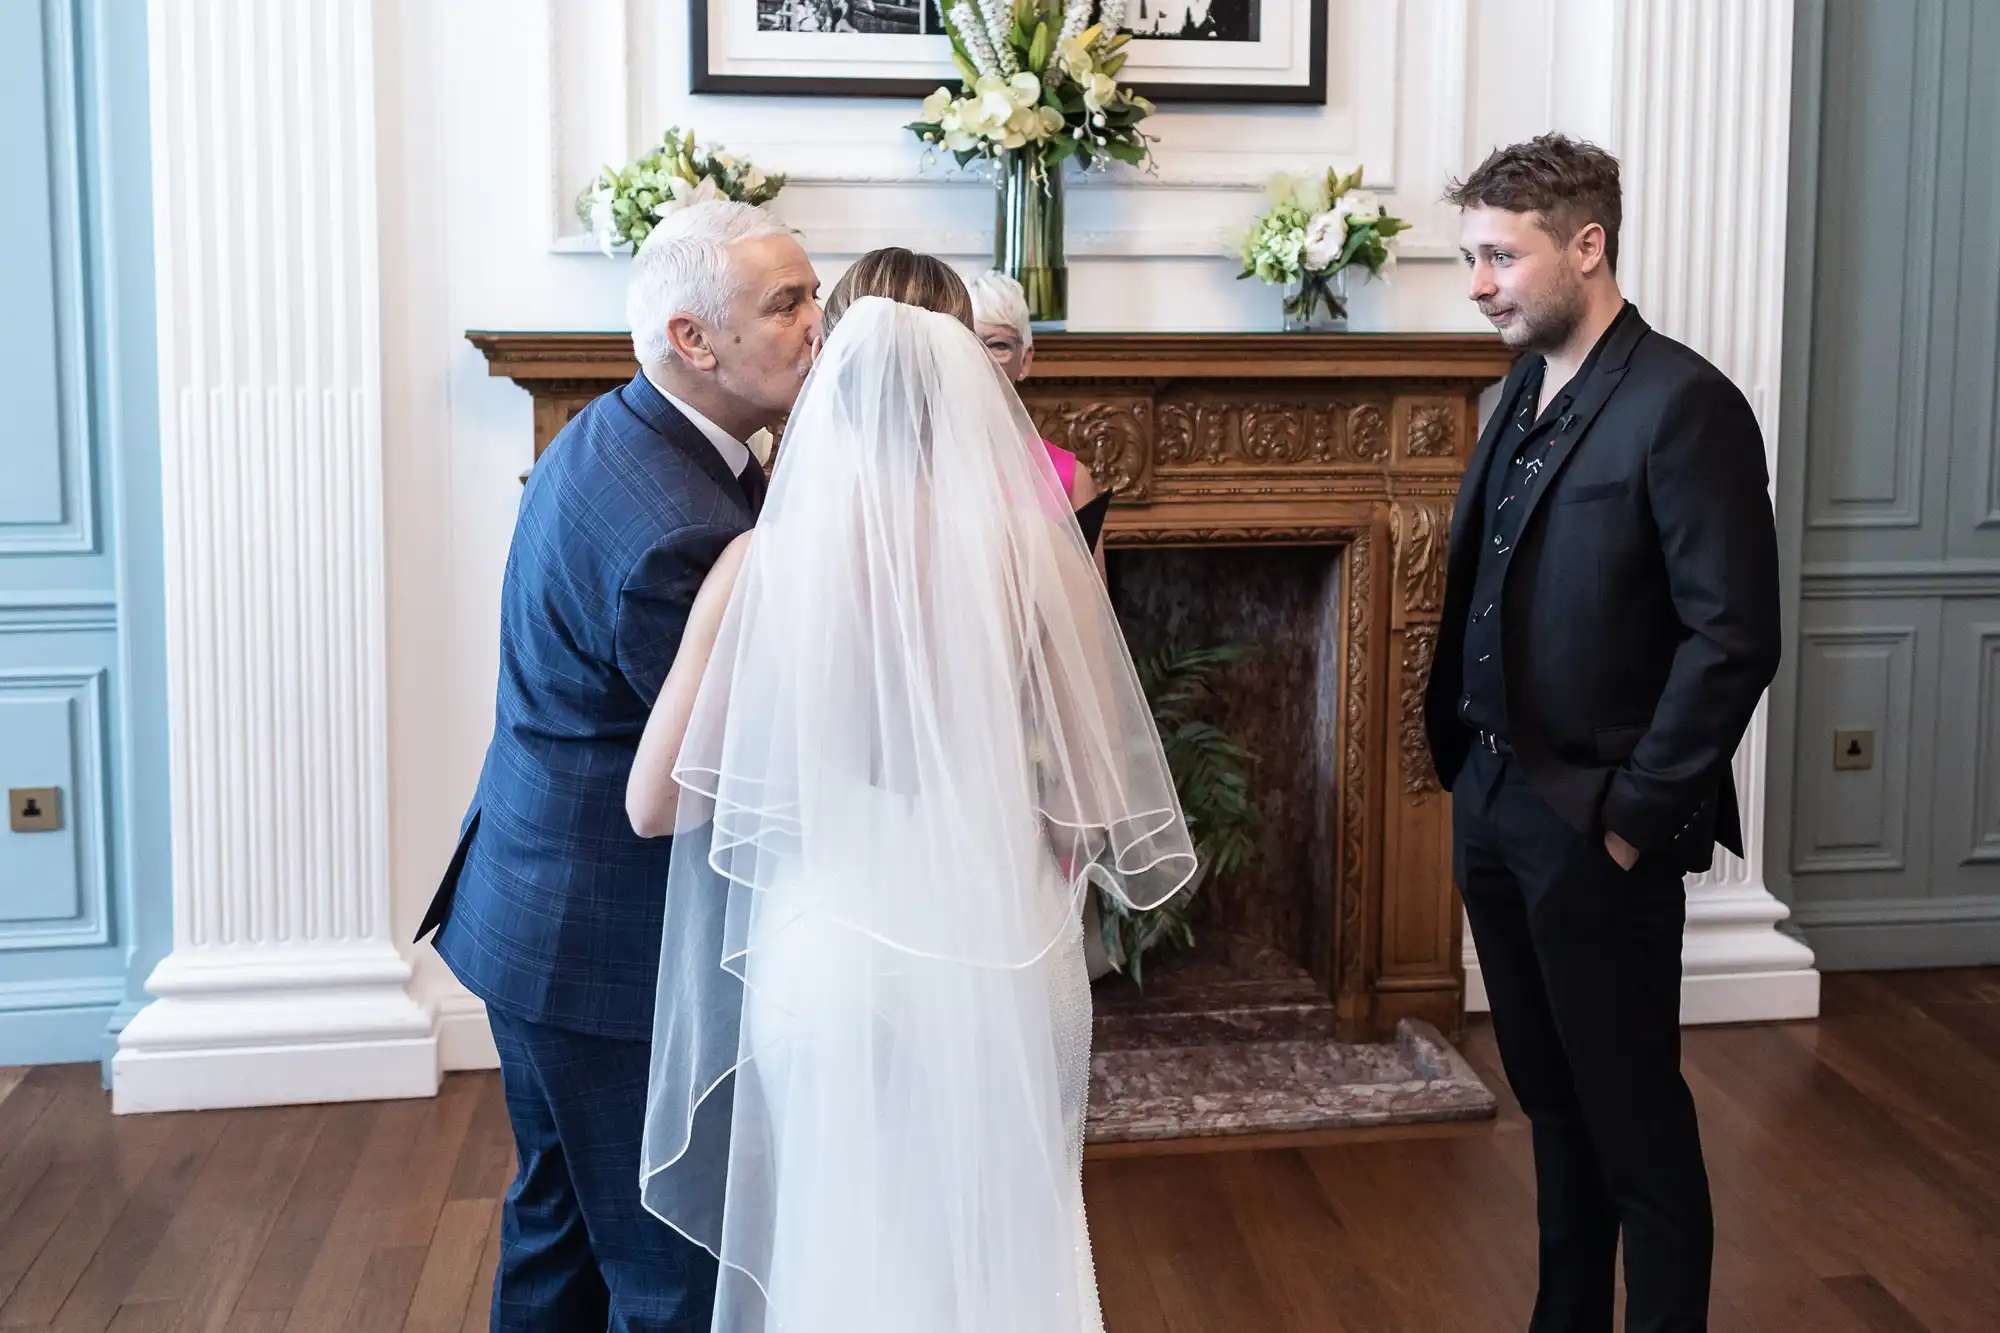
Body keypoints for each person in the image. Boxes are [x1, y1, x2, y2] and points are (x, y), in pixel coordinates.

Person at [627, 281, 1197, 1332]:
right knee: (994, 1238)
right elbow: (1086, 801)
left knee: (842, 1238)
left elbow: (653, 804)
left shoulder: (758, 566)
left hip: (829, 954)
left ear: (829, 408)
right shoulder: (1036, 552)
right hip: (995, 941)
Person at [414, 200, 821, 1333]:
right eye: (785, 302)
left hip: (530, 913)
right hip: (607, 959)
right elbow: (742, 769)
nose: (816, 324)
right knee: (668, 1274)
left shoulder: (618, 432)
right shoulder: (674, 530)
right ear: (693, 340)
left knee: (558, 1234)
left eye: (811, 293)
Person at [1424, 134, 1782, 1332]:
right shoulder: (1510, 392)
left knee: (1631, 1117)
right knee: (1549, 1102)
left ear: (1587, 245)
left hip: (1597, 825)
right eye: (1469, 255)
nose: (1477, 283)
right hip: (1492, 800)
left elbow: (1730, 636)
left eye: (1498, 256)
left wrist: (1629, 820)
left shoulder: (1685, 404)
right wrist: (1472, 784)